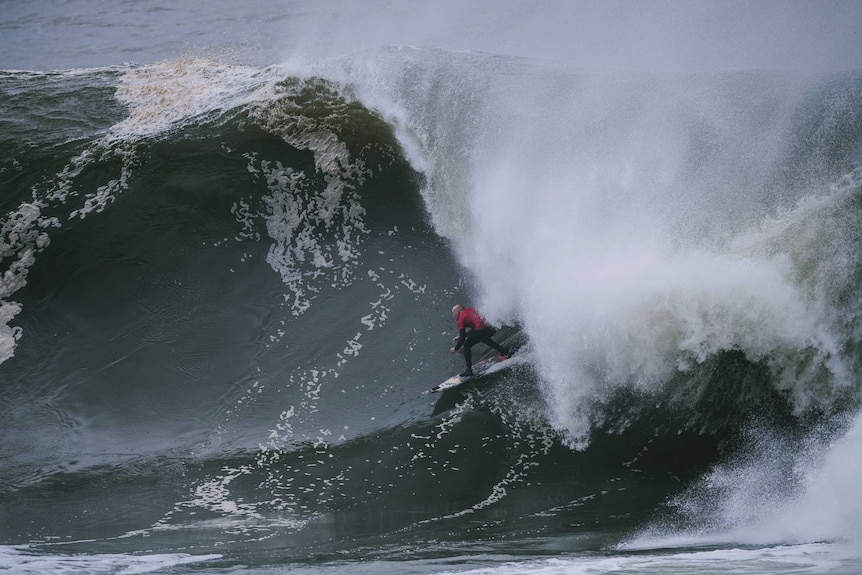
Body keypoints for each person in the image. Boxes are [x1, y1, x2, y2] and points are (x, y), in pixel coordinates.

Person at [449, 304, 510, 377]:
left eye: (453, 313)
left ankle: (469, 371)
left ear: (457, 312)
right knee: (484, 338)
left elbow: (462, 339)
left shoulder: (461, 319)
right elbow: (476, 327)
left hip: (482, 330)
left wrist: (455, 348)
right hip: (491, 328)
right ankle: (504, 351)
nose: (453, 315)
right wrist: (462, 336)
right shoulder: (471, 310)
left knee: (466, 345)